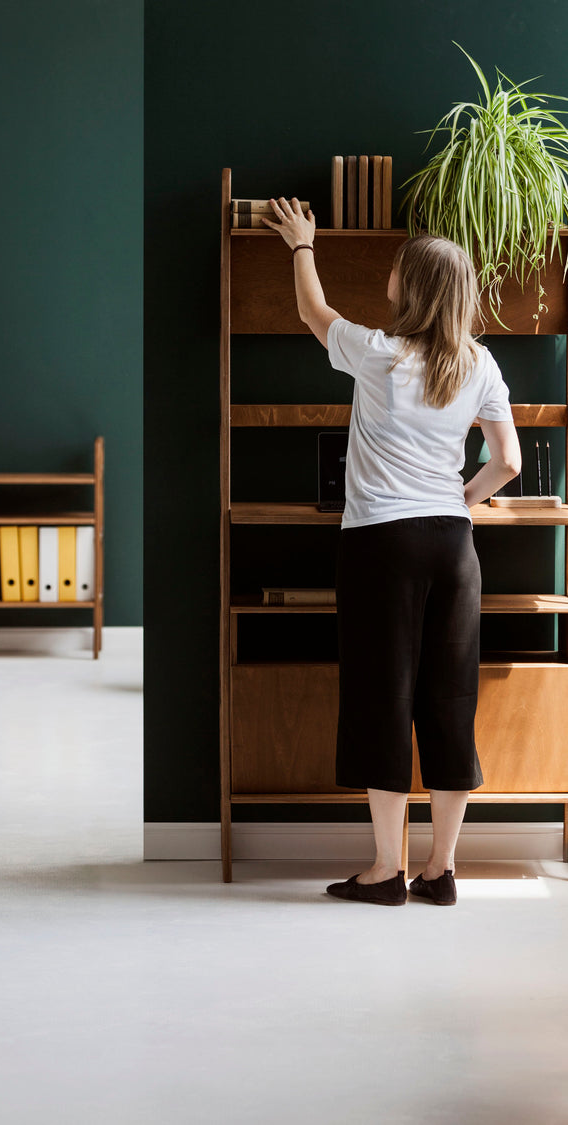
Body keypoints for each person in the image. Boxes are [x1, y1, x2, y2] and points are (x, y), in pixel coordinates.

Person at [261, 197, 522, 906]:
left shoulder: (379, 354)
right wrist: (458, 502)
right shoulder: (480, 363)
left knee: (384, 697)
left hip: (382, 545)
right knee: (448, 700)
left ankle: (385, 869)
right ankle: (440, 868)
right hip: (452, 547)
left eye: (398, 271)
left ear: (412, 288)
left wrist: (301, 243)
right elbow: (509, 461)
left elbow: (314, 314)